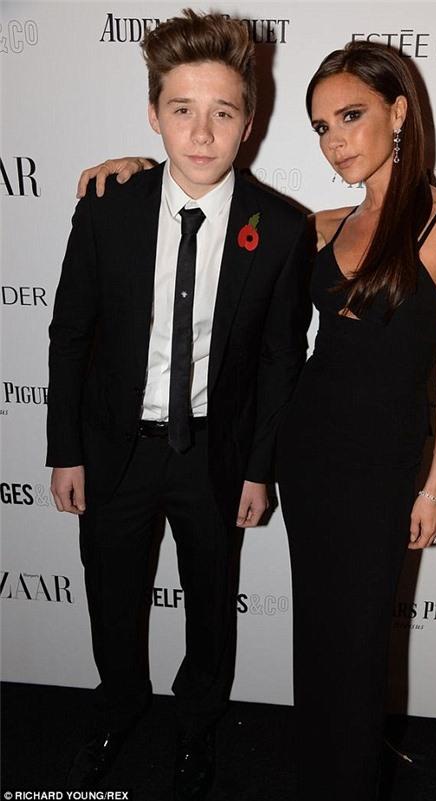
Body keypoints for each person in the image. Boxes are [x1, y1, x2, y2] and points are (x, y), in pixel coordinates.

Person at [78, 40, 436, 801]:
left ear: (400, 112)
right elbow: (219, 212)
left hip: (380, 467)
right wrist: (137, 169)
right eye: (322, 127)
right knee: (320, 640)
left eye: (352, 117)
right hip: (307, 456)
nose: (337, 142)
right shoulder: (322, 225)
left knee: (360, 646)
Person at [47, 9, 310, 799]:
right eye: (182, 109)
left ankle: (197, 727)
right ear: (153, 115)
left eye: (223, 112)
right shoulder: (108, 205)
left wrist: (260, 468)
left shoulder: (281, 229)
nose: (201, 133)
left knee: (210, 607)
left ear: (250, 123)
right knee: (111, 598)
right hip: (116, 452)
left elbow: (279, 360)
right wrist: (66, 449)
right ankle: (118, 705)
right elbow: (70, 333)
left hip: (214, 460)